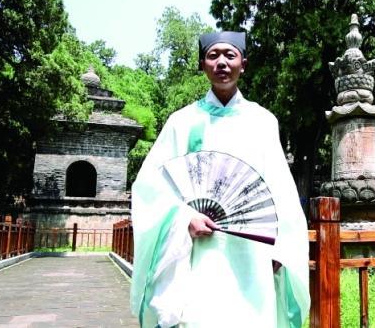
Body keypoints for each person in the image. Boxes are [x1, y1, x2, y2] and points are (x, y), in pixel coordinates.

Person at [130, 31, 310, 327]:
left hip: (253, 254)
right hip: (199, 249)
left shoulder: (263, 121)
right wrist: (184, 216)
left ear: (244, 64)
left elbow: (281, 190)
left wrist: (281, 247)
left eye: (230, 55)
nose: (222, 63)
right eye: (213, 56)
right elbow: (152, 186)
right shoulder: (182, 122)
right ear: (202, 65)